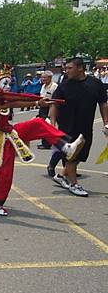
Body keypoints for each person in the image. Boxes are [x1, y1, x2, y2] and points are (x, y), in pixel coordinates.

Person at [0, 66, 85, 215]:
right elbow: (11, 103)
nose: (7, 86)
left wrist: (37, 103)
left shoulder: (3, 100)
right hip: (0, 140)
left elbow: (14, 103)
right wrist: (35, 101)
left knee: (38, 122)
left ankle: (64, 146)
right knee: (5, 174)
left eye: (9, 83)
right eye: (4, 83)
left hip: (10, 131)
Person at [48, 57, 108, 197]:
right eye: (66, 68)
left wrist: (106, 122)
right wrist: (52, 125)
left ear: (80, 68)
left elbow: (103, 103)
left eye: (69, 68)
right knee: (72, 156)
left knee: (81, 154)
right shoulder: (64, 85)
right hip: (67, 126)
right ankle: (73, 184)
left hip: (86, 126)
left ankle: (62, 176)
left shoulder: (95, 83)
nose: (66, 71)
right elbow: (54, 105)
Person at [36, 71, 58, 149]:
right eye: (42, 77)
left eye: (44, 77)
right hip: (42, 108)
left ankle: (48, 143)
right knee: (42, 126)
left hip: (50, 108)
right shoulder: (43, 86)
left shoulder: (54, 86)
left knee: (49, 126)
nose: (42, 79)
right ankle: (44, 142)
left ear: (50, 78)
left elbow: (55, 99)